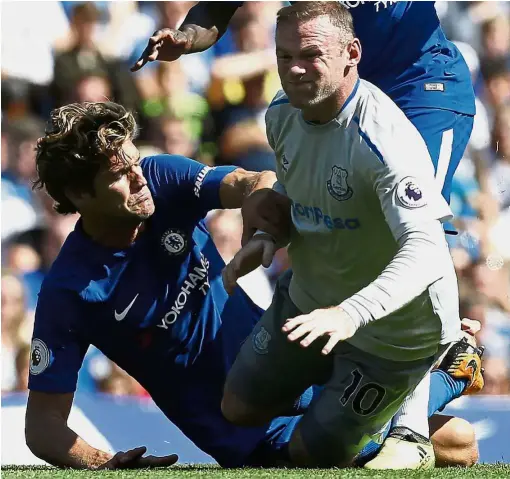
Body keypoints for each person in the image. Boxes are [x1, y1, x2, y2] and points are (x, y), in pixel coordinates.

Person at [25, 100, 478, 471]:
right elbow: (43, 425)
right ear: (80, 196)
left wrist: (258, 210)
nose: (138, 178)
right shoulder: (72, 291)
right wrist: (103, 462)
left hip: (290, 363)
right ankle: (447, 376)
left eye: (134, 162)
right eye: (118, 176)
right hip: (249, 433)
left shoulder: (161, 180)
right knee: (453, 440)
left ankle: (441, 373)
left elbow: (250, 180)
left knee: (457, 441)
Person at [131, 1, 478, 468]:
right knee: (241, 406)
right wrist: (187, 38)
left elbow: (425, 246)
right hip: (329, 82)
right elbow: (218, 7)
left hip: (420, 85)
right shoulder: (283, 107)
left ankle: (412, 426)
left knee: (417, 229)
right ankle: (367, 388)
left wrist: (351, 313)